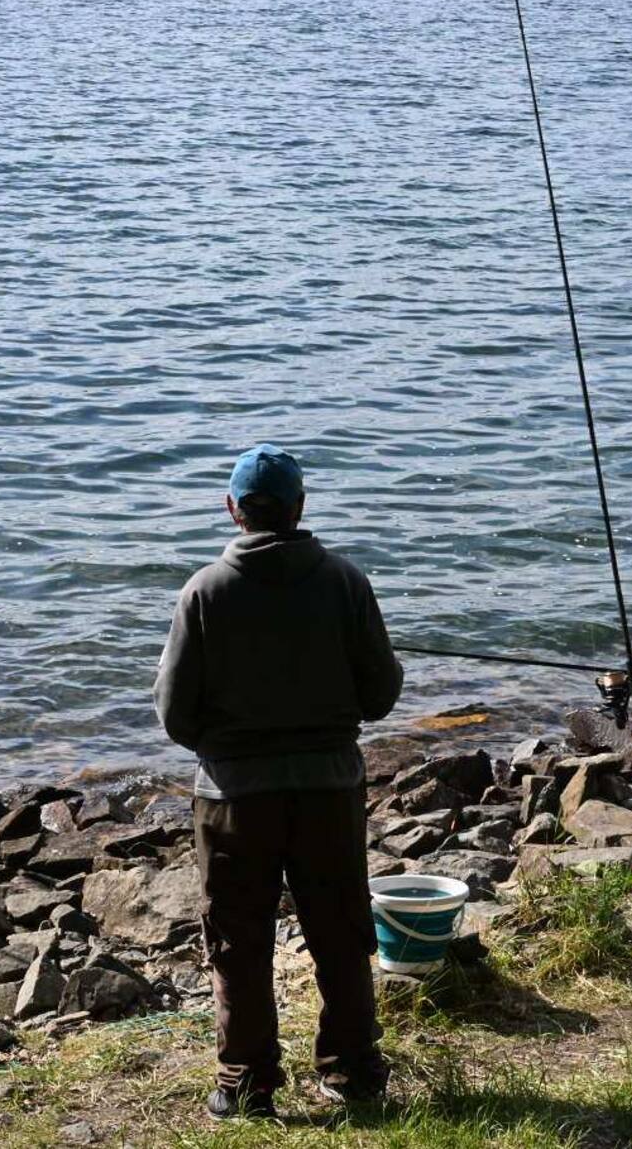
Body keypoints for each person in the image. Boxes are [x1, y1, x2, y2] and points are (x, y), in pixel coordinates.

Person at [154, 443, 403, 1119]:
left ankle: (247, 1081)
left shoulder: (203, 591)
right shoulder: (345, 582)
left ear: (233, 509)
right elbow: (382, 693)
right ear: (299, 508)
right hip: (328, 792)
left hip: (233, 800)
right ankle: (353, 1072)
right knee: (342, 932)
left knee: (237, 941)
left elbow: (174, 714)